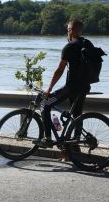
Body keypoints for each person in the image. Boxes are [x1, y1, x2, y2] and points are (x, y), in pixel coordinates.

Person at [33, 19, 91, 148]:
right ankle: (74, 149)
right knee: (77, 116)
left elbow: (59, 70)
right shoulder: (87, 44)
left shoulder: (70, 47)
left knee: (44, 105)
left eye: (68, 30)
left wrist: (49, 89)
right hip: (84, 86)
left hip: (71, 87)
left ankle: (47, 139)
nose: (67, 32)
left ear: (73, 31)